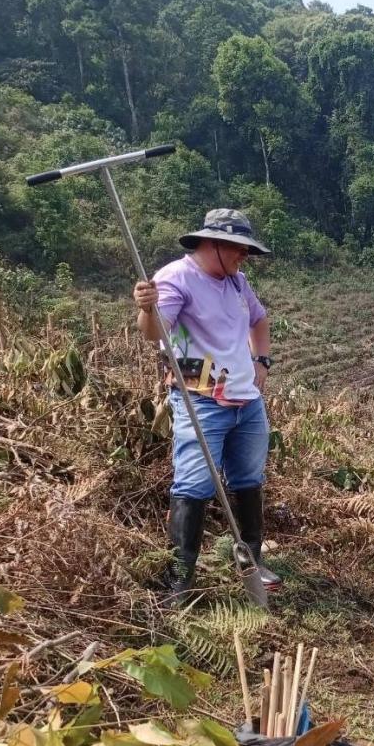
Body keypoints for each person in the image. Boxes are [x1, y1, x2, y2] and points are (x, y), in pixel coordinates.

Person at [132, 209, 282, 600]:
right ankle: (179, 580)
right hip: (202, 401)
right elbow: (154, 334)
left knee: (248, 481)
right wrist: (146, 309)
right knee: (194, 485)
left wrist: (261, 361)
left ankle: (251, 560)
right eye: (239, 249)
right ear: (214, 244)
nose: (244, 257)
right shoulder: (174, 279)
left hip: (246, 402)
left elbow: (259, 320)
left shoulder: (237, 281)